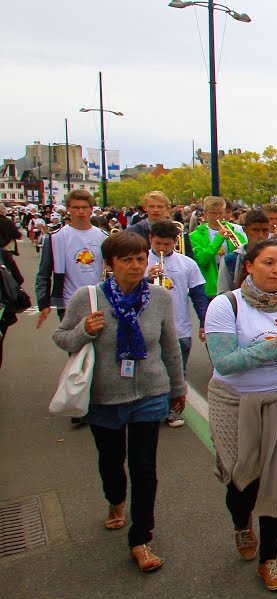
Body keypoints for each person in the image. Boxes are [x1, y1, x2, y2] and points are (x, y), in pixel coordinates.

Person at [52, 231, 186, 573]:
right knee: (111, 461)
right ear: (110, 264)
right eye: (127, 260)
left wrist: (177, 388)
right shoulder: (89, 298)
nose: (136, 266)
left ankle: (140, 538)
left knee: (144, 469)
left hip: (150, 393)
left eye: (141, 259)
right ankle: (115, 499)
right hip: (104, 396)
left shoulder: (159, 297)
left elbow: (169, 345)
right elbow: (62, 337)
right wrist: (85, 329)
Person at [205, 238, 277, 591]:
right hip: (236, 402)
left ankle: (270, 558)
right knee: (243, 481)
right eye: (268, 263)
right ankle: (242, 523)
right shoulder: (226, 305)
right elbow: (225, 362)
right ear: (250, 266)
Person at [146, 220, 208, 426]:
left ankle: (172, 409)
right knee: (151, 370)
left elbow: (198, 295)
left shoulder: (187, 263)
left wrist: (203, 322)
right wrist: (145, 279)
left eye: (166, 244)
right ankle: (154, 408)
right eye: (157, 244)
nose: (162, 249)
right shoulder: (141, 261)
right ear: (150, 240)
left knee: (176, 371)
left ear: (175, 241)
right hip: (148, 327)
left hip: (179, 327)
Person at [35, 190, 106, 329]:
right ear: (68, 209)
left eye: (85, 207)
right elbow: (43, 274)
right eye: (75, 207)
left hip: (99, 301)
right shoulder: (55, 238)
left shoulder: (104, 237)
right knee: (75, 348)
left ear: (91, 209)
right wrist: (43, 303)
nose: (81, 211)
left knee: (102, 348)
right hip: (69, 303)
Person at [190, 196, 247, 301]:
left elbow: (246, 252)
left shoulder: (234, 231)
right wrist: (218, 239)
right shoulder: (195, 236)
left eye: (220, 213)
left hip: (231, 285)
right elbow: (202, 260)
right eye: (213, 213)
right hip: (211, 288)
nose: (218, 217)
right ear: (206, 213)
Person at [126, 191, 193, 257]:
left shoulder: (179, 229)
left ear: (168, 208)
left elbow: (188, 255)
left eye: (160, 207)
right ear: (145, 208)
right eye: (151, 206)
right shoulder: (133, 231)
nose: (155, 210)